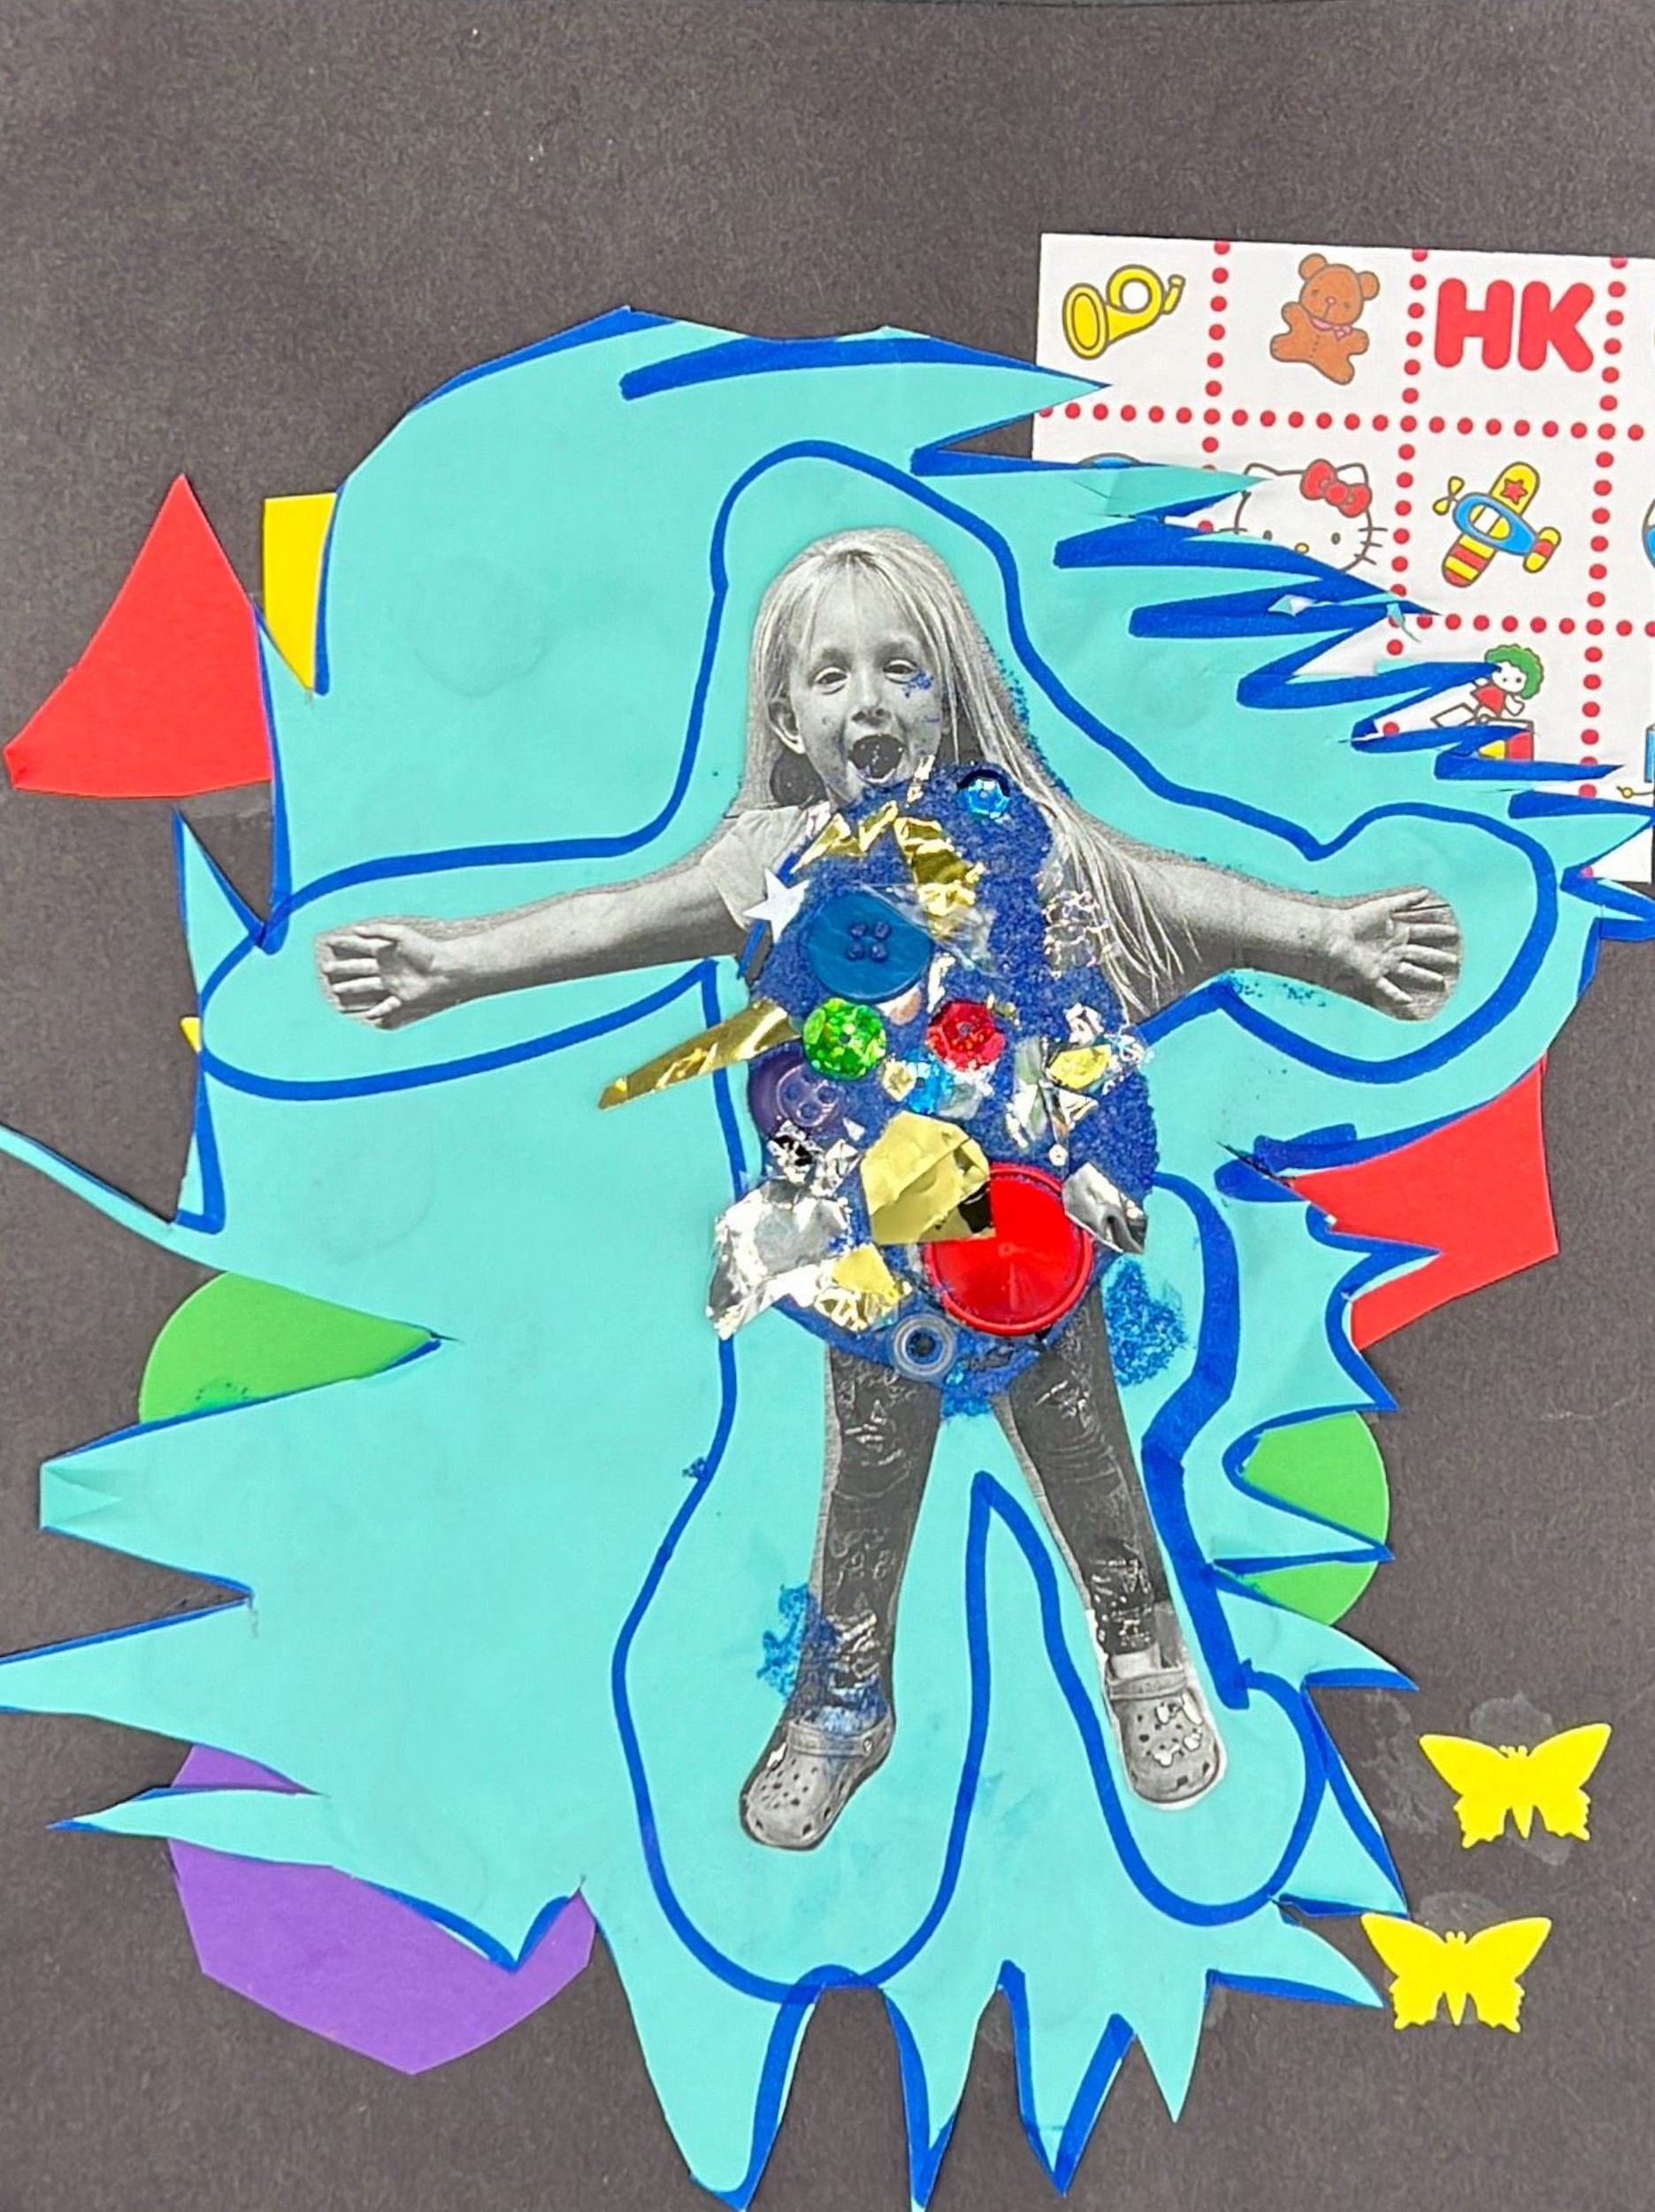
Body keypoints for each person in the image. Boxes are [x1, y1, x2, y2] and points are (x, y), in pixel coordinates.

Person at [317, 529, 1462, 1850]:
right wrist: (458, 964)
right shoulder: (771, 858)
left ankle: (1144, 1661)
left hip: (1030, 1236)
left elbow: (1160, 890)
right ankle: (842, 1703)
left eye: (901, 669)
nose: (868, 701)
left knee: (1091, 1463)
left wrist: (1325, 937)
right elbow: (622, 919)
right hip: (872, 1255)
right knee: (867, 1482)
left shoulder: (1008, 828)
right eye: (831, 675)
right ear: (786, 718)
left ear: (948, 689)